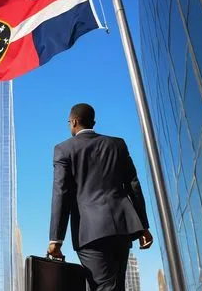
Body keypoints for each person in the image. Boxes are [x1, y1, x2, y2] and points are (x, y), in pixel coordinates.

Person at [47, 103, 153, 291]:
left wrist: (56, 239)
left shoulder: (63, 149)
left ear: (73, 121)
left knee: (104, 287)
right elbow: (133, 185)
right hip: (122, 227)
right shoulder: (117, 144)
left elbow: (61, 192)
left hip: (90, 232)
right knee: (113, 286)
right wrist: (143, 226)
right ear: (93, 122)